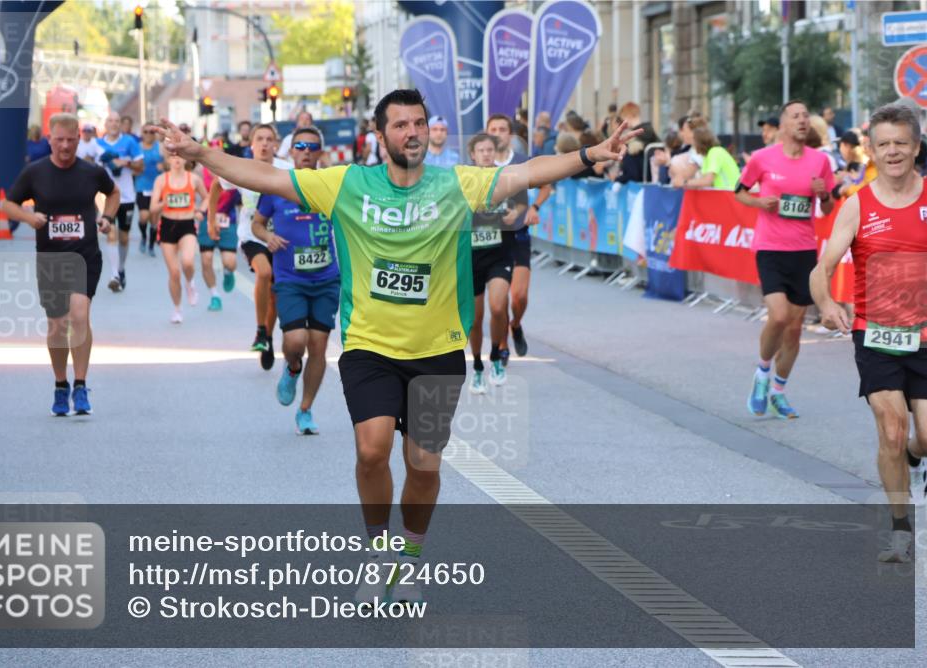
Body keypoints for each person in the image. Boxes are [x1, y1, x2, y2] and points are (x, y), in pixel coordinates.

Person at [151, 87, 638, 606]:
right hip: (370, 346)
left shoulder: (456, 185)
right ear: (380, 136)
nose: (413, 132)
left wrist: (589, 155)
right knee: (371, 451)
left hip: (438, 349)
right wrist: (200, 153)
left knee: (424, 465)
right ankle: (378, 550)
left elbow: (526, 173)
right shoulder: (347, 184)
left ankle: (408, 556)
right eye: (401, 125)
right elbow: (267, 177)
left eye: (419, 123)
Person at [810, 103, 927, 563]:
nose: (893, 151)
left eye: (901, 142)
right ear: (871, 150)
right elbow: (822, 268)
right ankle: (901, 529)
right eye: (883, 144)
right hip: (876, 332)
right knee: (891, 428)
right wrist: (825, 303)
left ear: (917, 146)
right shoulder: (857, 204)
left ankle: (917, 461)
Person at [0, 113, 119, 416]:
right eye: (59, 140)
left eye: (70, 140)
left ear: (79, 140)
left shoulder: (91, 172)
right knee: (57, 324)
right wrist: (30, 218)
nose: (65, 146)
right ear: (49, 140)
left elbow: (113, 193)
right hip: (51, 258)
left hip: (85, 255)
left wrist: (107, 218)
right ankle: (60, 384)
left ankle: (80, 384)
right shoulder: (35, 173)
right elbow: (8, 205)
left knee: (79, 315)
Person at [735, 99, 836, 419]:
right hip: (770, 247)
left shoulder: (820, 161)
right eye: (796, 116)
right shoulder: (763, 158)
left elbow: (829, 207)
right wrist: (758, 202)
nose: (803, 120)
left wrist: (823, 195)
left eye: (807, 115)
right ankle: (762, 374)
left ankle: (779, 390)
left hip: (803, 250)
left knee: (794, 329)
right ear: (783, 125)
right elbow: (738, 191)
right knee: (778, 316)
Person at [253, 125, 340, 434]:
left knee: (318, 346)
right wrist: (268, 236)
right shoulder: (277, 186)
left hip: (327, 279)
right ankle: (291, 368)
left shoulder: (333, 186)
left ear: (319, 152)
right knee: (296, 342)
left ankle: (305, 410)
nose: (305, 151)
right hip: (290, 278)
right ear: (290, 151)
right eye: (300, 146)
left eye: (312, 147)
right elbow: (257, 225)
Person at [466, 133, 526, 392]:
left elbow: (523, 203)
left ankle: (496, 358)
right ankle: (478, 366)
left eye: (490, 150)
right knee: (476, 318)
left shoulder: (506, 178)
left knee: (498, 307)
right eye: (481, 150)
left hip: (500, 253)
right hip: (471, 257)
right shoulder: (464, 181)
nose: (487, 154)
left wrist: (516, 213)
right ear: (473, 155)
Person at [239, 123, 292, 369]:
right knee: (264, 272)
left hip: (280, 238)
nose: (264, 143)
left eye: (269, 139)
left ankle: (268, 338)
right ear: (251, 144)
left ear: (275, 144)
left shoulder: (286, 170)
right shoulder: (241, 168)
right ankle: (261, 329)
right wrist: (211, 220)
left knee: (275, 294)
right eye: (259, 138)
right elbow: (219, 185)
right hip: (252, 235)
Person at [486, 113, 536, 360]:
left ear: (510, 134)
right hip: (491, 239)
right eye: (492, 129)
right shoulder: (480, 164)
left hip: (518, 235)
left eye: (502, 129)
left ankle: (515, 324)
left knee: (519, 296)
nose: (497, 133)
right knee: (499, 299)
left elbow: (546, 185)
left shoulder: (521, 161)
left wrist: (535, 208)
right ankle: (503, 344)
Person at [149, 152, 208, 323]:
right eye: (173, 157)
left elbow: (207, 197)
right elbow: (153, 208)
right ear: (168, 160)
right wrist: (163, 202)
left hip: (187, 224)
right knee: (174, 273)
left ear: (186, 159)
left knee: (188, 261)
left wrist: (200, 211)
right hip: (167, 225)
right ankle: (177, 309)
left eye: (180, 156)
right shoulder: (161, 180)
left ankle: (190, 283)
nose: (176, 159)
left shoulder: (193, 179)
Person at [96, 111, 143, 293]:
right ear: (105, 124)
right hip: (105, 196)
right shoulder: (97, 144)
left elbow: (141, 167)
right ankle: (114, 274)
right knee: (111, 233)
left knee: (123, 238)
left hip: (127, 196)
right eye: (110, 121)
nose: (114, 124)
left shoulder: (130, 142)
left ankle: (121, 268)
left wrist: (126, 163)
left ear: (121, 124)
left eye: (117, 121)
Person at [200, 143, 241, 312]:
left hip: (227, 221)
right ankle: (214, 295)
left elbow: (241, 201)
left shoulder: (232, 175)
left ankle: (227, 272)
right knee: (206, 259)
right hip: (206, 220)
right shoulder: (201, 174)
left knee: (230, 262)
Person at [681, 125, 740, 190]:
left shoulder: (715, 152)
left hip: (729, 195)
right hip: (726, 195)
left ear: (700, 142)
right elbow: (705, 181)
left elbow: (707, 181)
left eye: (693, 140)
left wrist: (684, 182)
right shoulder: (709, 155)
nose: (692, 144)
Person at [135, 124, 163, 257]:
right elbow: (131, 165)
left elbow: (170, 164)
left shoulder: (160, 147)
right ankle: (143, 236)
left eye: (151, 132)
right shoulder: (137, 147)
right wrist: (136, 169)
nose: (148, 134)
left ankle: (151, 245)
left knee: (154, 219)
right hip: (142, 186)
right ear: (142, 133)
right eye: (145, 132)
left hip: (157, 187)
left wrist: (164, 166)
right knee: (144, 216)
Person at [614, 102, 660, 183]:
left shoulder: (636, 137)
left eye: (623, 118)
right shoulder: (650, 133)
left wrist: (617, 180)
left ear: (628, 116)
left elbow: (632, 173)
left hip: (641, 181)